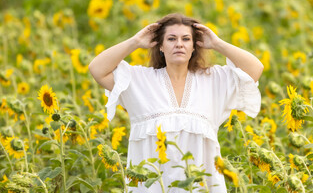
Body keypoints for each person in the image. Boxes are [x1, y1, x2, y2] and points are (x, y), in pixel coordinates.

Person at [88, 13, 264, 192]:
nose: (179, 44)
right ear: (161, 46)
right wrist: (135, 41)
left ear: (194, 46)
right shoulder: (139, 80)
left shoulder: (214, 80)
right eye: (171, 38)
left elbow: (255, 69)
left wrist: (217, 43)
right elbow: (97, 69)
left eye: (186, 39)